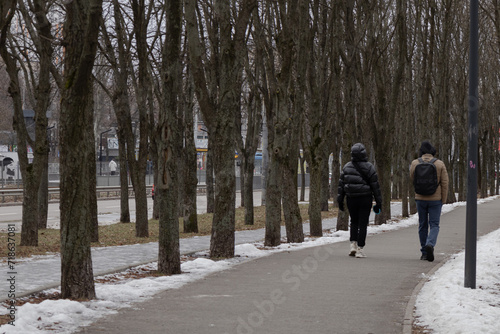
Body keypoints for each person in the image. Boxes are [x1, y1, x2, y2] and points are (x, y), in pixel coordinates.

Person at [337, 143, 382, 258]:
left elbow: (341, 185)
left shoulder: (347, 167)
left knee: (353, 221)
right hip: (365, 198)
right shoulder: (369, 167)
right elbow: (375, 186)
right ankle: (360, 249)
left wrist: (340, 200)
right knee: (363, 223)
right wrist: (378, 201)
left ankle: (353, 244)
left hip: (351, 198)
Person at [410, 141, 449, 262]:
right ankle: (430, 244)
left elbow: (412, 179)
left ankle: (424, 252)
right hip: (435, 199)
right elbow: (445, 183)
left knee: (422, 225)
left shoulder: (415, 163)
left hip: (420, 198)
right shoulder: (439, 164)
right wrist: (443, 199)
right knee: (434, 225)